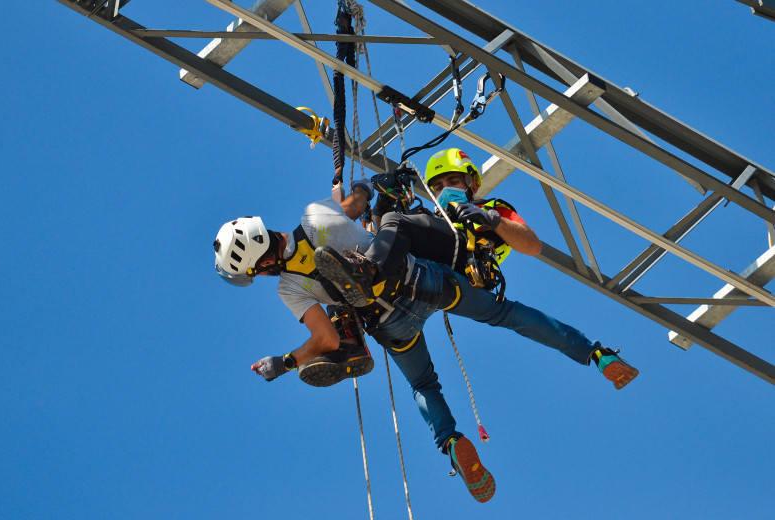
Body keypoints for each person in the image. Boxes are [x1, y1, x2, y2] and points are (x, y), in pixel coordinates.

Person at [214, 181, 496, 502]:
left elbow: (323, 337)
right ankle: (348, 339)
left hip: (384, 303)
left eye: (258, 273)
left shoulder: (290, 284)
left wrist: (284, 363)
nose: (264, 276)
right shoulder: (312, 222)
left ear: (263, 264)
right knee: (351, 274)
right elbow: (355, 205)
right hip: (410, 268)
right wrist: (362, 189)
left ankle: (449, 439)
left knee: (422, 382)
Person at [315, 148, 639, 390]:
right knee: (344, 265)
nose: (445, 188)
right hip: (433, 280)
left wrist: (489, 219)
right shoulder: (429, 218)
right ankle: (348, 342)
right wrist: (383, 203)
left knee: (517, 317)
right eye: (438, 185)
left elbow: (532, 245)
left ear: (471, 183)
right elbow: (382, 239)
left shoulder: (490, 208)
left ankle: (595, 353)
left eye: (453, 180)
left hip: (467, 269)